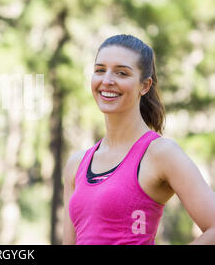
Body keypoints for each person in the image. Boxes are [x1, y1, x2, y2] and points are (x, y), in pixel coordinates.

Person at [62, 34, 215, 245]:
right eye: (100, 70)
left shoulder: (161, 153)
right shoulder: (76, 164)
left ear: (145, 86)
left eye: (122, 73)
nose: (107, 80)